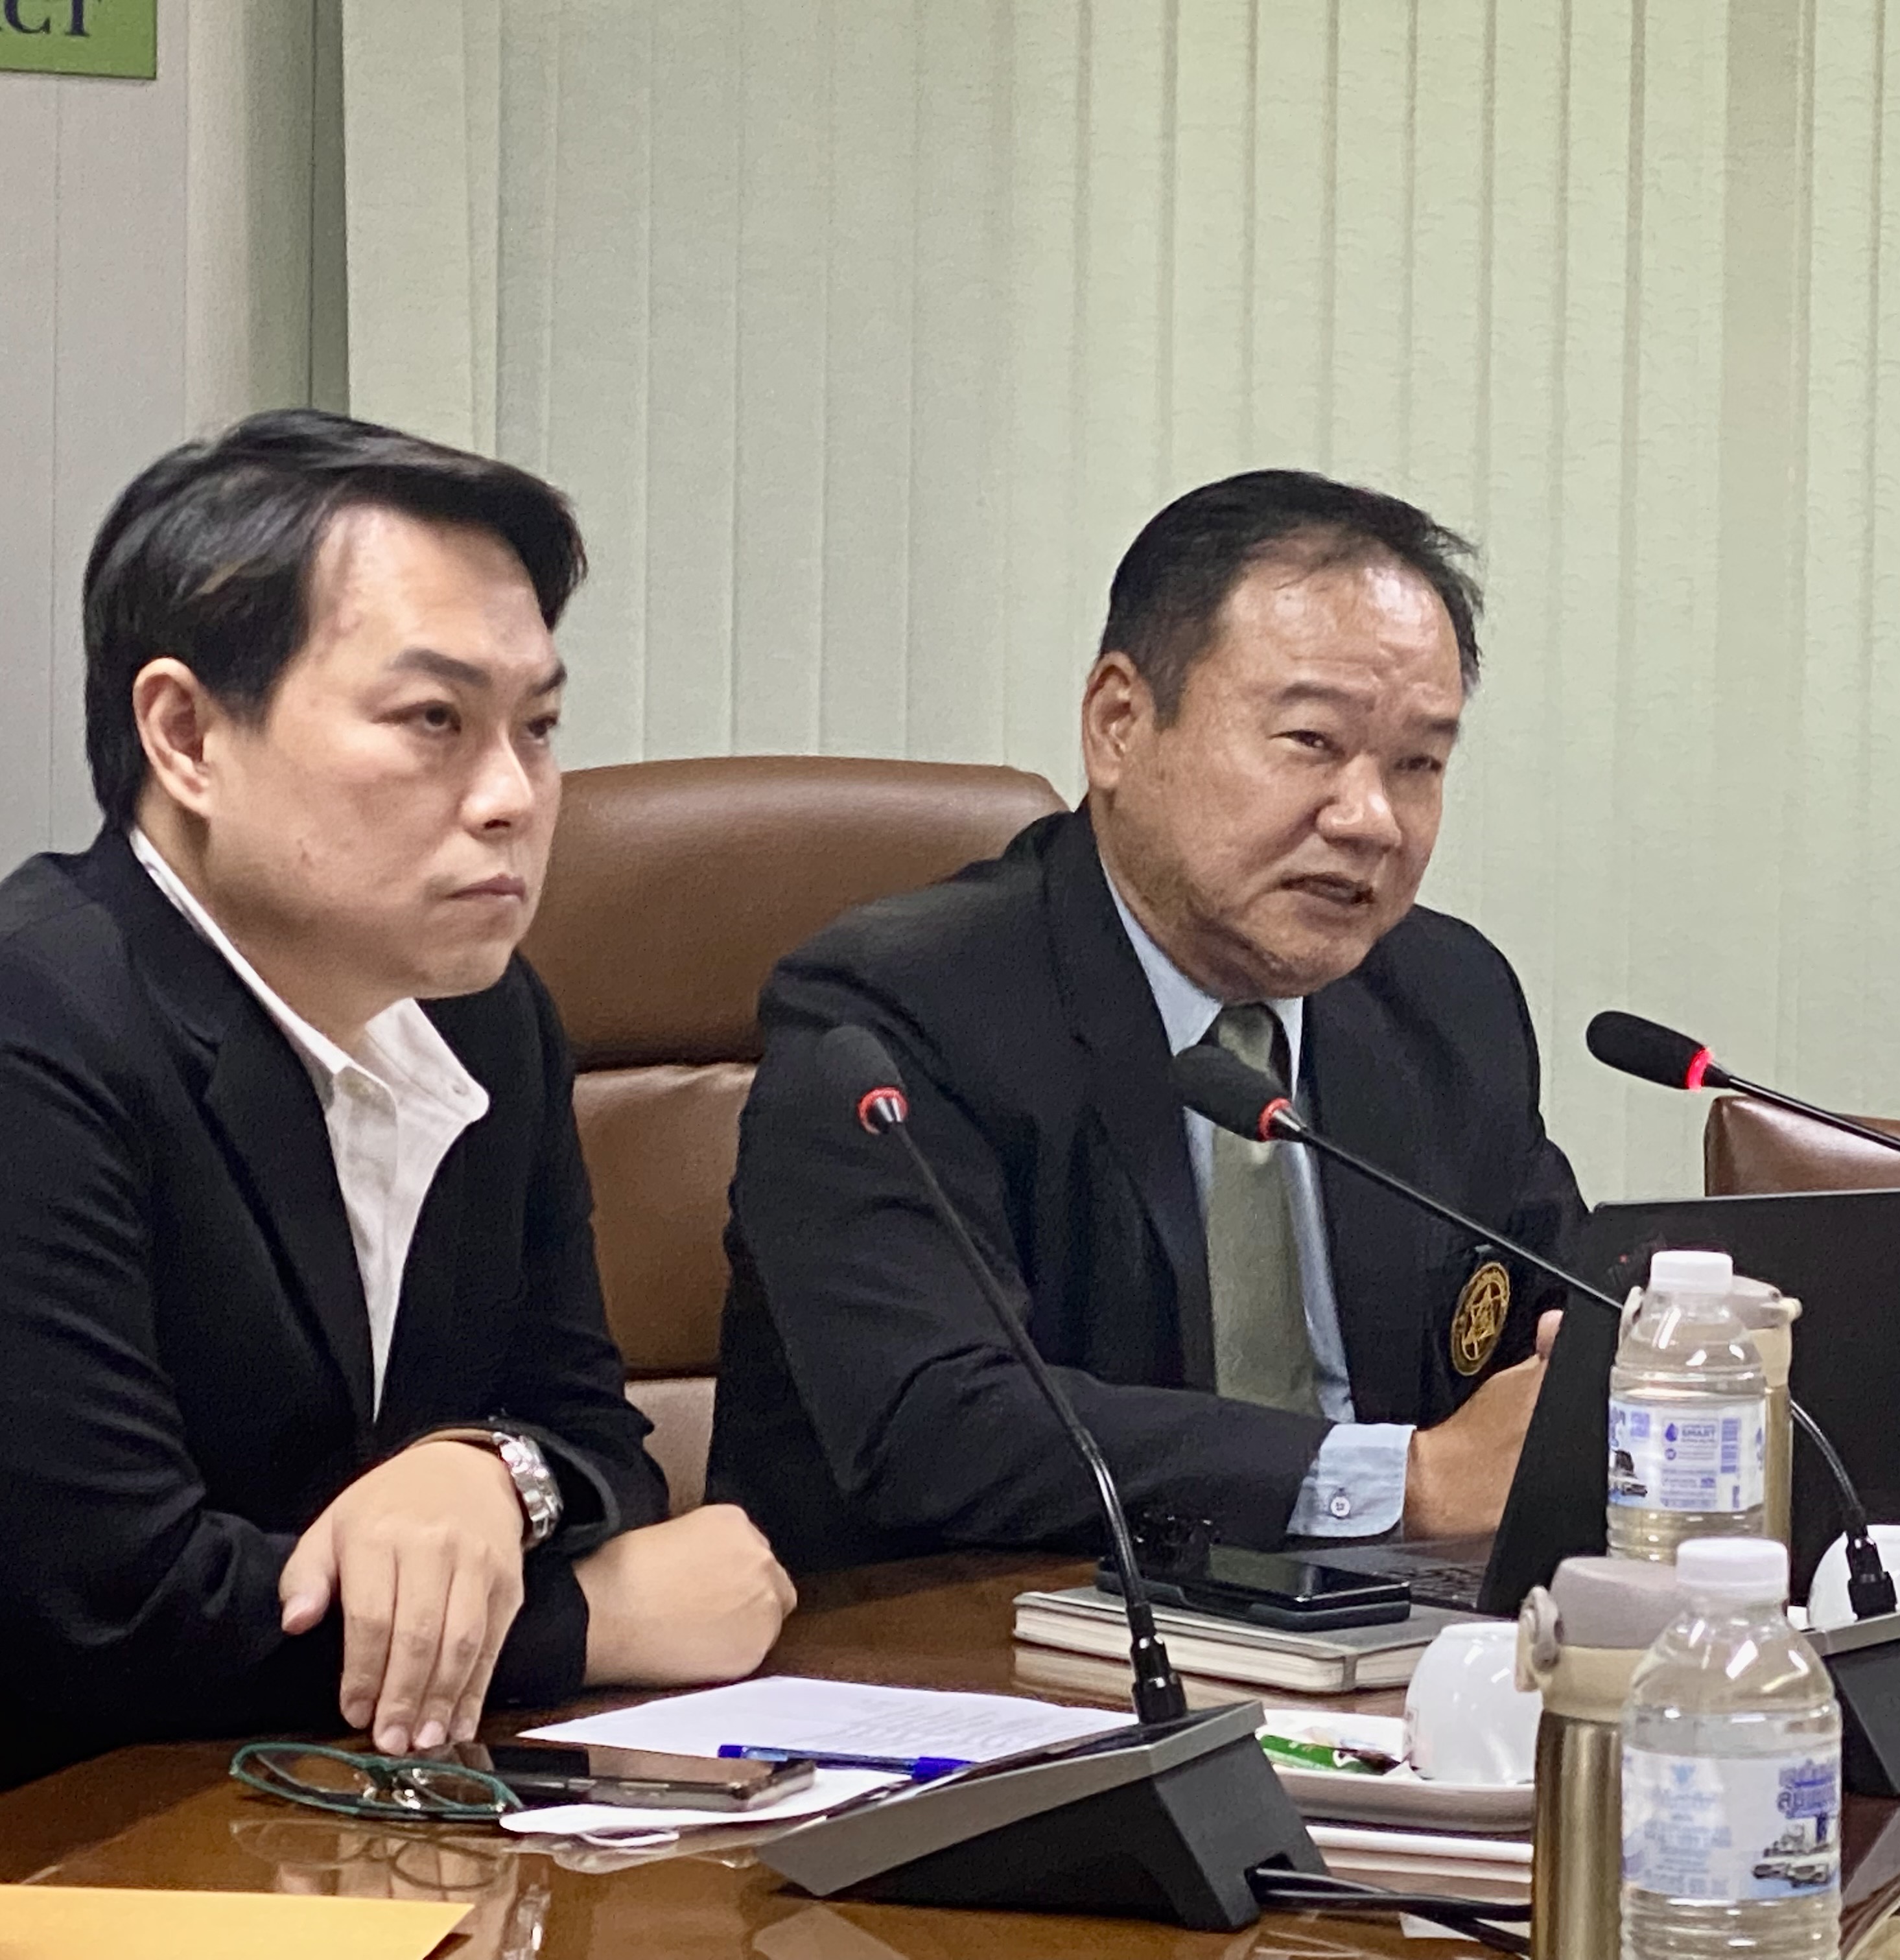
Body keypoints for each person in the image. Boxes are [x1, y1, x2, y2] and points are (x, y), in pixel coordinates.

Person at [0, 410, 794, 1790]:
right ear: (186, 736)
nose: (513, 797)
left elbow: (591, 1433)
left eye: (538, 727)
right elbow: (105, 1613)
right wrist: (593, 1620)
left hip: (345, 1810)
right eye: (435, 721)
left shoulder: (486, 1014)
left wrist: (487, 1473)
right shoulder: (40, 1031)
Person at [711, 470, 1587, 1568]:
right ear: (1119, 725)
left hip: (1384, 1643)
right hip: (980, 1638)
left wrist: (1652, 1365)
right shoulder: (896, 1014)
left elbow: (1550, 1317)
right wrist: (1401, 1482)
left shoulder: (1446, 1000)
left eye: (1418, 764)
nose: (1371, 819)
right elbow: (937, 1422)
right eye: (1312, 742)